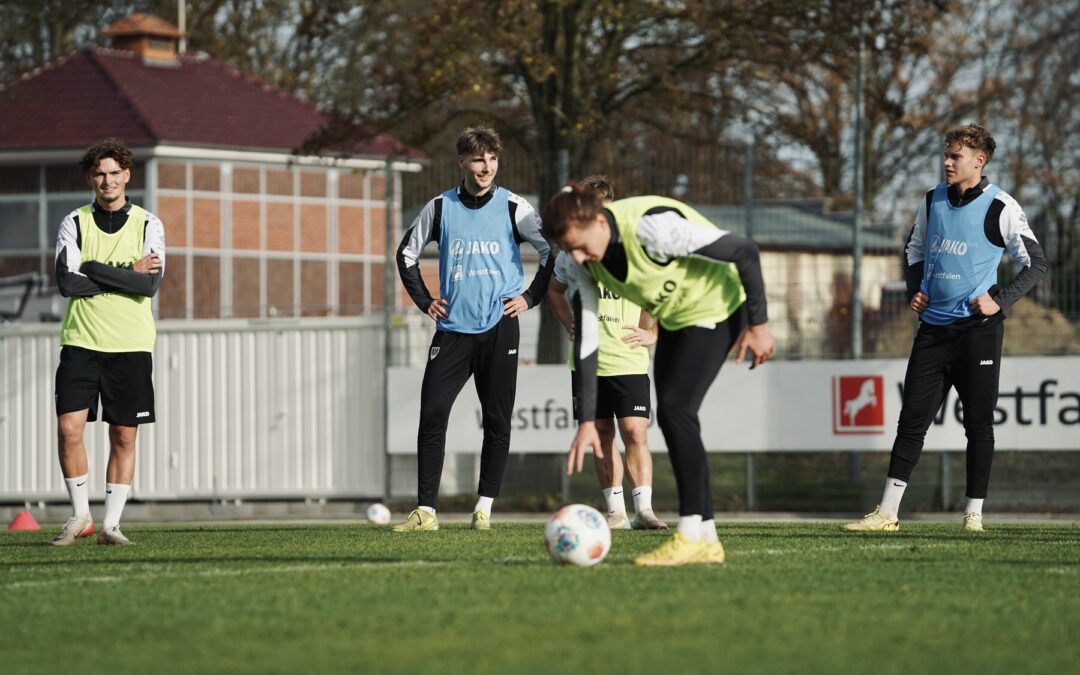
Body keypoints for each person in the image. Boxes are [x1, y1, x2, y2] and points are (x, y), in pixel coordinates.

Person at [543, 185, 774, 566]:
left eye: (580, 246)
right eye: (570, 250)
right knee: (675, 414)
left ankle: (690, 534)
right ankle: (707, 539)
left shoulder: (653, 229)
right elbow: (586, 340)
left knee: (675, 409)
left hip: (718, 307)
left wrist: (759, 325)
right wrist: (585, 421)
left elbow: (744, 250)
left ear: (598, 220)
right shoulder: (581, 263)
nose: (579, 258)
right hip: (677, 318)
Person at [845, 124, 1046, 533]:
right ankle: (887, 513)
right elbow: (914, 249)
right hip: (932, 332)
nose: (947, 162)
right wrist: (914, 290)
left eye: (956, 156)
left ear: (979, 160)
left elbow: (1036, 263)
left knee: (979, 425)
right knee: (911, 422)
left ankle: (973, 515)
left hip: (978, 333)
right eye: (946, 154)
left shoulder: (1001, 206)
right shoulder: (932, 199)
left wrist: (1000, 300)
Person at [393, 126, 551, 531]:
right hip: (452, 330)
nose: (486, 167)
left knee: (497, 420)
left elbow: (550, 252)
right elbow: (406, 254)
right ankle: (426, 512)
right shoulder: (440, 207)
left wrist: (530, 297)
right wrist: (425, 300)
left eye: (493, 159)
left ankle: (484, 508)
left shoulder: (515, 207)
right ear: (462, 161)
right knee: (432, 411)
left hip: (500, 328)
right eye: (479, 159)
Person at [51, 138, 165, 546]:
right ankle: (81, 515)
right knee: (69, 428)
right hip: (81, 340)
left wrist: (94, 269)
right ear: (90, 177)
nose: (107, 180)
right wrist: (126, 271)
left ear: (127, 175)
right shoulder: (74, 223)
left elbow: (148, 285)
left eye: (115, 172)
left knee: (124, 435)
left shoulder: (149, 224)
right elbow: (67, 283)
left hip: (130, 344)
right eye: (99, 173)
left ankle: (110, 525)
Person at [546, 175, 666, 531]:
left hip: (628, 357)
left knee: (635, 432)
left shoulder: (632, 248)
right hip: (589, 360)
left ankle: (645, 510)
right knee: (601, 433)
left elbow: (657, 292)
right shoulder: (572, 256)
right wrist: (569, 323)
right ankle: (616, 512)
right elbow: (554, 291)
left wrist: (651, 331)